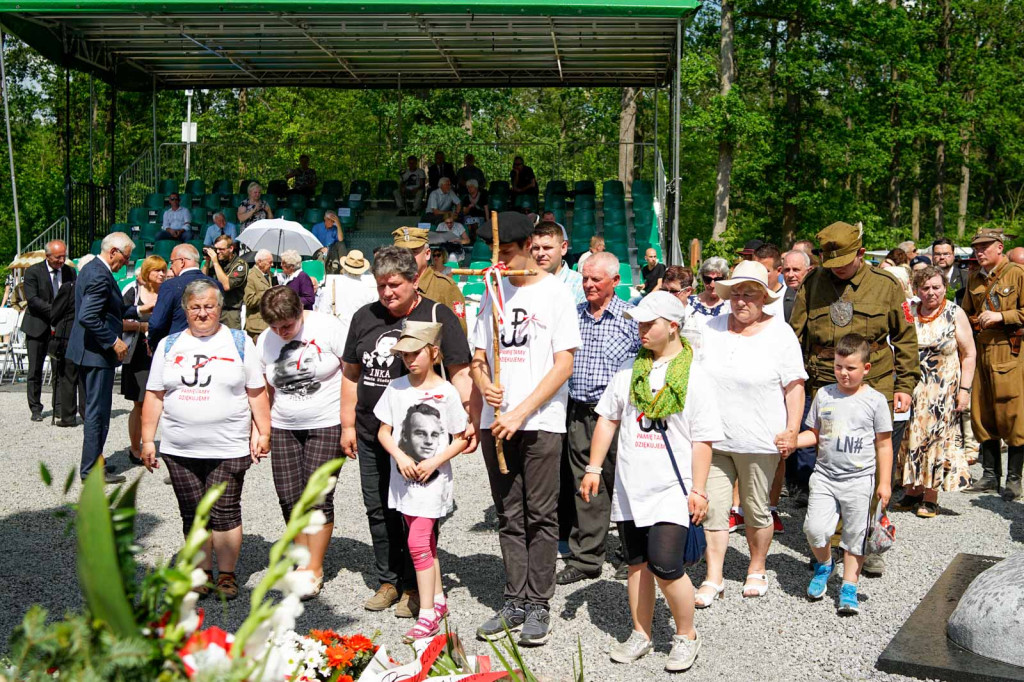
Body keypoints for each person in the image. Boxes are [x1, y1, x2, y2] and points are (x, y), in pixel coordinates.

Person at [581, 291, 719, 672]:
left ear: (673, 326)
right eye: (638, 323)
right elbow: (608, 419)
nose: (640, 330)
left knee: (665, 563)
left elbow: (703, 438)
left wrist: (700, 488)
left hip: (673, 487)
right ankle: (641, 633)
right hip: (631, 484)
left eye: (649, 323)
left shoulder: (695, 376)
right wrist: (594, 468)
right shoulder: (628, 370)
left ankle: (685, 635)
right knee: (637, 563)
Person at [341, 246, 474, 618]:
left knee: (418, 512)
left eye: (394, 284)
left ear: (414, 280)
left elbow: (460, 370)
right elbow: (351, 374)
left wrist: (467, 416)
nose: (387, 293)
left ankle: (418, 586)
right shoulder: (364, 317)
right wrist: (348, 423)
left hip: (419, 439)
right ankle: (389, 580)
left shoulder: (436, 314)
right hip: (372, 430)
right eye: (381, 285)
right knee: (378, 508)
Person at [470, 212, 581, 647]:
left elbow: (564, 364)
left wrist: (521, 412)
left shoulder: (555, 295)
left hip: (540, 423)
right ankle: (514, 598)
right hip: (494, 422)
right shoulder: (492, 289)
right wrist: (483, 384)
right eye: (496, 254)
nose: (501, 262)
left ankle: (539, 602)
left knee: (540, 513)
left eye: (508, 253)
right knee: (508, 514)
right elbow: (479, 354)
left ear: (528, 248)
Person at [789, 221, 920, 577]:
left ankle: (868, 539)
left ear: (861, 253)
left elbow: (906, 338)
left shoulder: (886, 286)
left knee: (875, 464)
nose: (837, 270)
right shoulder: (813, 284)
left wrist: (905, 385)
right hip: (825, 385)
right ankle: (830, 541)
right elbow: (794, 337)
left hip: (874, 384)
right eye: (830, 262)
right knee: (829, 459)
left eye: (844, 262)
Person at [140, 279, 271, 600]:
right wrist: (146, 440)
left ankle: (226, 575)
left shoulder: (240, 342)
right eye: (195, 307)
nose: (202, 313)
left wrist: (263, 431)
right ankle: (201, 572)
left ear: (219, 308)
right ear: (185, 310)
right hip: (179, 448)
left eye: (209, 306)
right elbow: (154, 395)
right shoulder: (169, 346)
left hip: (228, 446)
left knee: (225, 511)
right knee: (193, 513)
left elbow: (257, 391)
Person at [697, 261, 806, 604]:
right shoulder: (709, 327)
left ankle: (756, 567)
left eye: (750, 294)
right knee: (714, 508)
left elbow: (795, 386)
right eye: (736, 294)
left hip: (760, 437)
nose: (742, 301)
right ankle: (714, 576)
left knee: (757, 508)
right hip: (713, 437)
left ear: (764, 299)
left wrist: (791, 429)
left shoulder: (780, 333)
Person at [374, 321, 469, 642]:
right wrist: (400, 458)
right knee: (424, 542)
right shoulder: (396, 387)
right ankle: (438, 600)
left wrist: (434, 461)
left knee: (416, 543)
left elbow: (460, 438)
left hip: (433, 480)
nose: (410, 359)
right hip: (403, 481)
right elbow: (383, 432)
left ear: (434, 352)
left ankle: (426, 614)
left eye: (416, 353)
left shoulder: (447, 392)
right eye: (405, 354)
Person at [792, 334, 893, 616]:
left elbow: (884, 444)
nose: (843, 373)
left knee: (854, 535)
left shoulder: (874, 401)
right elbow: (813, 434)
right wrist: (790, 441)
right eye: (838, 366)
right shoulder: (824, 395)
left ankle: (849, 586)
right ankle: (824, 565)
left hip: (860, 479)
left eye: (850, 368)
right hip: (825, 476)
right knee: (815, 529)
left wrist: (884, 483)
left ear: (866, 369)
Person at [556, 252, 641, 586]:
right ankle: (587, 558)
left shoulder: (632, 319)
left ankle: (630, 553)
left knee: (624, 483)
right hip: (579, 410)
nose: (588, 285)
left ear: (615, 281)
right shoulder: (573, 316)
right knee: (585, 484)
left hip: (620, 416)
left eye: (596, 279)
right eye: (585, 279)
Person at [256, 286, 346, 599]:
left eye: (288, 327)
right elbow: (263, 389)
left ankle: (313, 568)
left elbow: (351, 373)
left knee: (317, 497)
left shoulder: (327, 327)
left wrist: (349, 424)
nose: (281, 333)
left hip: (326, 421)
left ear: (299, 314)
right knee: (289, 497)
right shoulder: (264, 340)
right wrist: (262, 430)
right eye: (275, 328)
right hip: (284, 424)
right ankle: (300, 559)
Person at [894, 266, 976, 517]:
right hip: (912, 387)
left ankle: (931, 496)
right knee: (910, 439)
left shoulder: (955, 312)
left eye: (936, 287)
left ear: (945, 287)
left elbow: (969, 353)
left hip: (942, 391)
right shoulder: (908, 311)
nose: (931, 293)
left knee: (936, 441)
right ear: (917, 289)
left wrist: (965, 390)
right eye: (925, 288)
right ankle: (912, 490)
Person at [66, 232, 134, 484]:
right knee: (98, 413)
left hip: (89, 352)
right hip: (96, 354)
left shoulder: (92, 268)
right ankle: (91, 470)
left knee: (96, 411)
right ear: (114, 252)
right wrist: (113, 340)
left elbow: (109, 308)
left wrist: (139, 310)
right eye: (126, 258)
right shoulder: (99, 274)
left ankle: (95, 461)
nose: (127, 263)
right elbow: (88, 316)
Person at [962, 228, 1024, 501]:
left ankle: (1014, 479)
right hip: (981, 350)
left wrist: (1002, 316)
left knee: (1012, 415)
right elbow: (965, 314)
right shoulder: (974, 277)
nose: (979, 251)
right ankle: (989, 476)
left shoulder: (1017, 274)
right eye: (977, 246)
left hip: (1009, 351)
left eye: (985, 246)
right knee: (982, 414)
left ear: (1000, 247)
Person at [23, 240, 76, 422]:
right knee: (35, 369)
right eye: (57, 257)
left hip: (61, 329)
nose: (61, 260)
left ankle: (59, 407)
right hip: (37, 326)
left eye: (64, 256)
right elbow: (33, 300)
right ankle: (35, 407)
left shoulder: (70, 272)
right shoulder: (33, 272)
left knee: (59, 370)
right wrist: (55, 311)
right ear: (47, 256)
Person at [121, 255, 166, 463]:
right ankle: (134, 447)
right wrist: (142, 326)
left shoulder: (167, 292)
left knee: (164, 402)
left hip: (161, 353)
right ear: (147, 272)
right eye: (157, 270)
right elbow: (118, 321)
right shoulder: (133, 291)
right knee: (139, 403)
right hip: (137, 352)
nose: (162, 274)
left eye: (164, 270)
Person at [393, 226, 467, 333]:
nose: (407, 257)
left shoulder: (445, 287)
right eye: (401, 253)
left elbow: (458, 334)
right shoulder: (390, 286)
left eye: (413, 252)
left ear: (427, 254)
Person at [148, 243, 219, 350]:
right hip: (211, 346)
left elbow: (157, 324)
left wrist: (153, 344)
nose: (171, 266)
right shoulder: (216, 285)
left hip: (177, 349)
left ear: (182, 261)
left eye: (172, 262)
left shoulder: (169, 285)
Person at [47, 260, 84, 428]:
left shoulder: (69, 288)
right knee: (84, 378)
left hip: (68, 337)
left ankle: (68, 417)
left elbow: (55, 313)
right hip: (86, 337)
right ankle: (86, 414)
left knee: (67, 377)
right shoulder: (96, 288)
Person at [316, 249, 378, 342]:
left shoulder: (332, 285)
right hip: (360, 335)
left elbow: (323, 313)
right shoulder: (369, 290)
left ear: (344, 266)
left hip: (336, 335)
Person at [531, 221, 585, 305]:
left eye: (547, 248)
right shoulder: (522, 284)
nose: (540, 253)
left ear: (563, 248)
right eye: (536, 248)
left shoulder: (581, 285)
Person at [203, 236, 248, 329]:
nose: (218, 252)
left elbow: (226, 285)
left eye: (221, 249)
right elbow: (201, 282)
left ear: (231, 248)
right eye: (216, 249)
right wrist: (207, 262)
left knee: (231, 341)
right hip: (214, 309)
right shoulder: (215, 262)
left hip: (231, 312)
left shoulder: (240, 265)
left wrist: (215, 263)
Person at [243, 249, 275, 341]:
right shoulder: (250, 277)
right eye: (270, 262)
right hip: (257, 327)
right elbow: (249, 301)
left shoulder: (271, 275)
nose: (272, 265)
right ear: (259, 262)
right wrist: (266, 292)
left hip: (270, 324)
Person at [687, 257, 730, 322]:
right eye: (708, 279)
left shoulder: (731, 306)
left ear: (725, 279)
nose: (712, 285)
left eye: (717, 280)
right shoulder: (689, 303)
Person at [753, 243, 786, 318]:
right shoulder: (741, 298)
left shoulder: (790, 301)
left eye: (765, 271)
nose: (758, 274)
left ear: (779, 271)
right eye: (756, 269)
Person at [931, 238, 967, 304]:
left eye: (946, 254)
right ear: (933, 256)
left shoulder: (966, 278)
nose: (942, 257)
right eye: (938, 254)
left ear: (953, 255)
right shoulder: (926, 279)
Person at [781, 249, 811, 320]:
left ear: (809, 271)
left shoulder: (817, 296)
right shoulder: (778, 298)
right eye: (787, 270)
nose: (790, 275)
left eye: (796, 270)